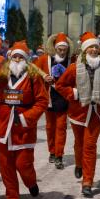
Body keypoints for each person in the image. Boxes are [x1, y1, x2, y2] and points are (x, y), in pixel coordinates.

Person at [0, 38, 48, 199]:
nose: (17, 60)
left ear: (26, 60)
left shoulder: (33, 78)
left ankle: (31, 183)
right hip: (4, 127)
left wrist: (26, 118)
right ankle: (12, 197)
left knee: (23, 165)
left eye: (20, 58)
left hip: (24, 128)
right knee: (6, 166)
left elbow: (42, 101)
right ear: (10, 58)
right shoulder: (1, 75)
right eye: (14, 57)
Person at [55, 32, 100, 197]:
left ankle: (87, 181)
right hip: (78, 112)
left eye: (96, 47)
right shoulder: (74, 67)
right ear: (84, 50)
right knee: (79, 144)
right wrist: (74, 93)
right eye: (91, 47)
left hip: (97, 113)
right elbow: (60, 85)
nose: (94, 50)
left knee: (90, 146)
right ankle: (79, 164)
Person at [35, 33, 72, 169]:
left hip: (63, 98)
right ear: (55, 48)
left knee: (61, 128)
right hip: (49, 97)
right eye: (59, 49)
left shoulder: (71, 60)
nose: (62, 52)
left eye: (64, 50)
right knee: (50, 127)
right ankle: (52, 151)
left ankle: (59, 155)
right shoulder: (45, 59)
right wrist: (44, 76)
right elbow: (33, 69)